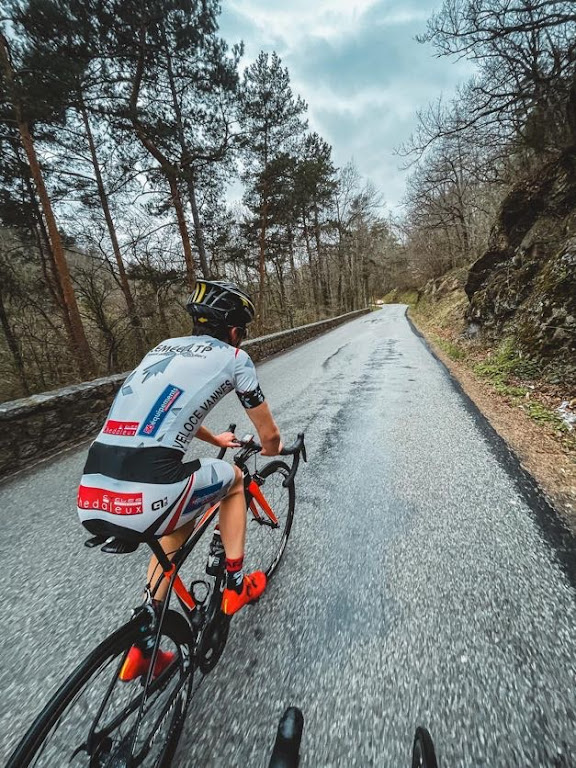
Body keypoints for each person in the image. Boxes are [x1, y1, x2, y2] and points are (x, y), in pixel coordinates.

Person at [77, 279, 282, 680]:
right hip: (150, 488)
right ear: (236, 331)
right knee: (235, 478)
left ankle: (145, 639)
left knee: (175, 523)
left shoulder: (161, 349)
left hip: (93, 490)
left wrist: (213, 438)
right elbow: (270, 437)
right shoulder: (235, 357)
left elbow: (169, 406)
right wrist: (273, 449)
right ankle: (237, 583)